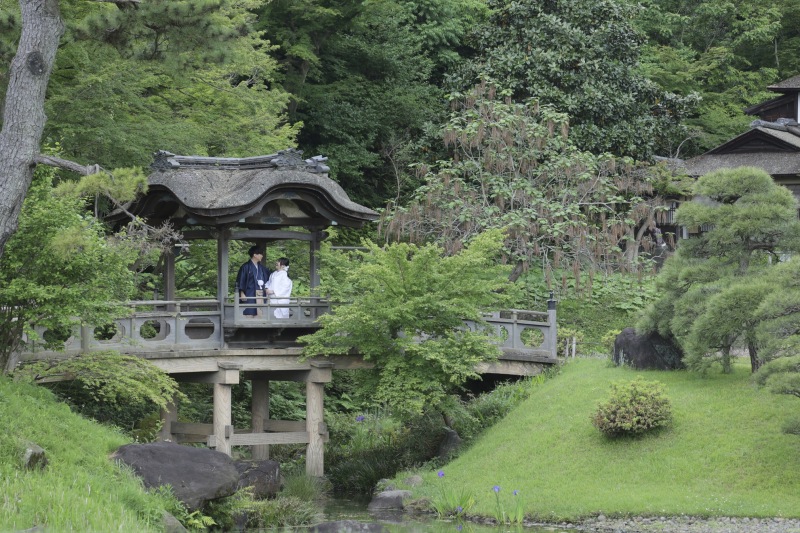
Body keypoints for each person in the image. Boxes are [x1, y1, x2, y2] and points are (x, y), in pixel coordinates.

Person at [236, 246, 271, 317]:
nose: (262, 256)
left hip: (261, 293)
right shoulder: (245, 267)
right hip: (249, 293)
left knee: (261, 314)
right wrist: (242, 293)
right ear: (255, 255)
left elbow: (270, 277)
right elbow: (241, 280)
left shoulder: (262, 268)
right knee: (249, 312)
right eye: (260, 254)